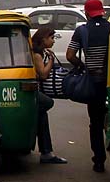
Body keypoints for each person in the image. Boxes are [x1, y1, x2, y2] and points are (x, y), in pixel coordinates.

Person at [68, 0, 110, 173]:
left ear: (86, 13)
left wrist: (82, 66)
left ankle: (99, 161)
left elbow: (70, 55)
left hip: (94, 84)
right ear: (102, 12)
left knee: (95, 123)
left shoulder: (82, 31)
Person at [32, 25, 68, 164]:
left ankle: (46, 152)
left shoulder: (39, 52)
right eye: (51, 38)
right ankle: (46, 152)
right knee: (47, 103)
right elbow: (43, 74)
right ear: (43, 39)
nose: (53, 41)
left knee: (42, 117)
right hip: (34, 92)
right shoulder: (36, 55)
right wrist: (51, 60)